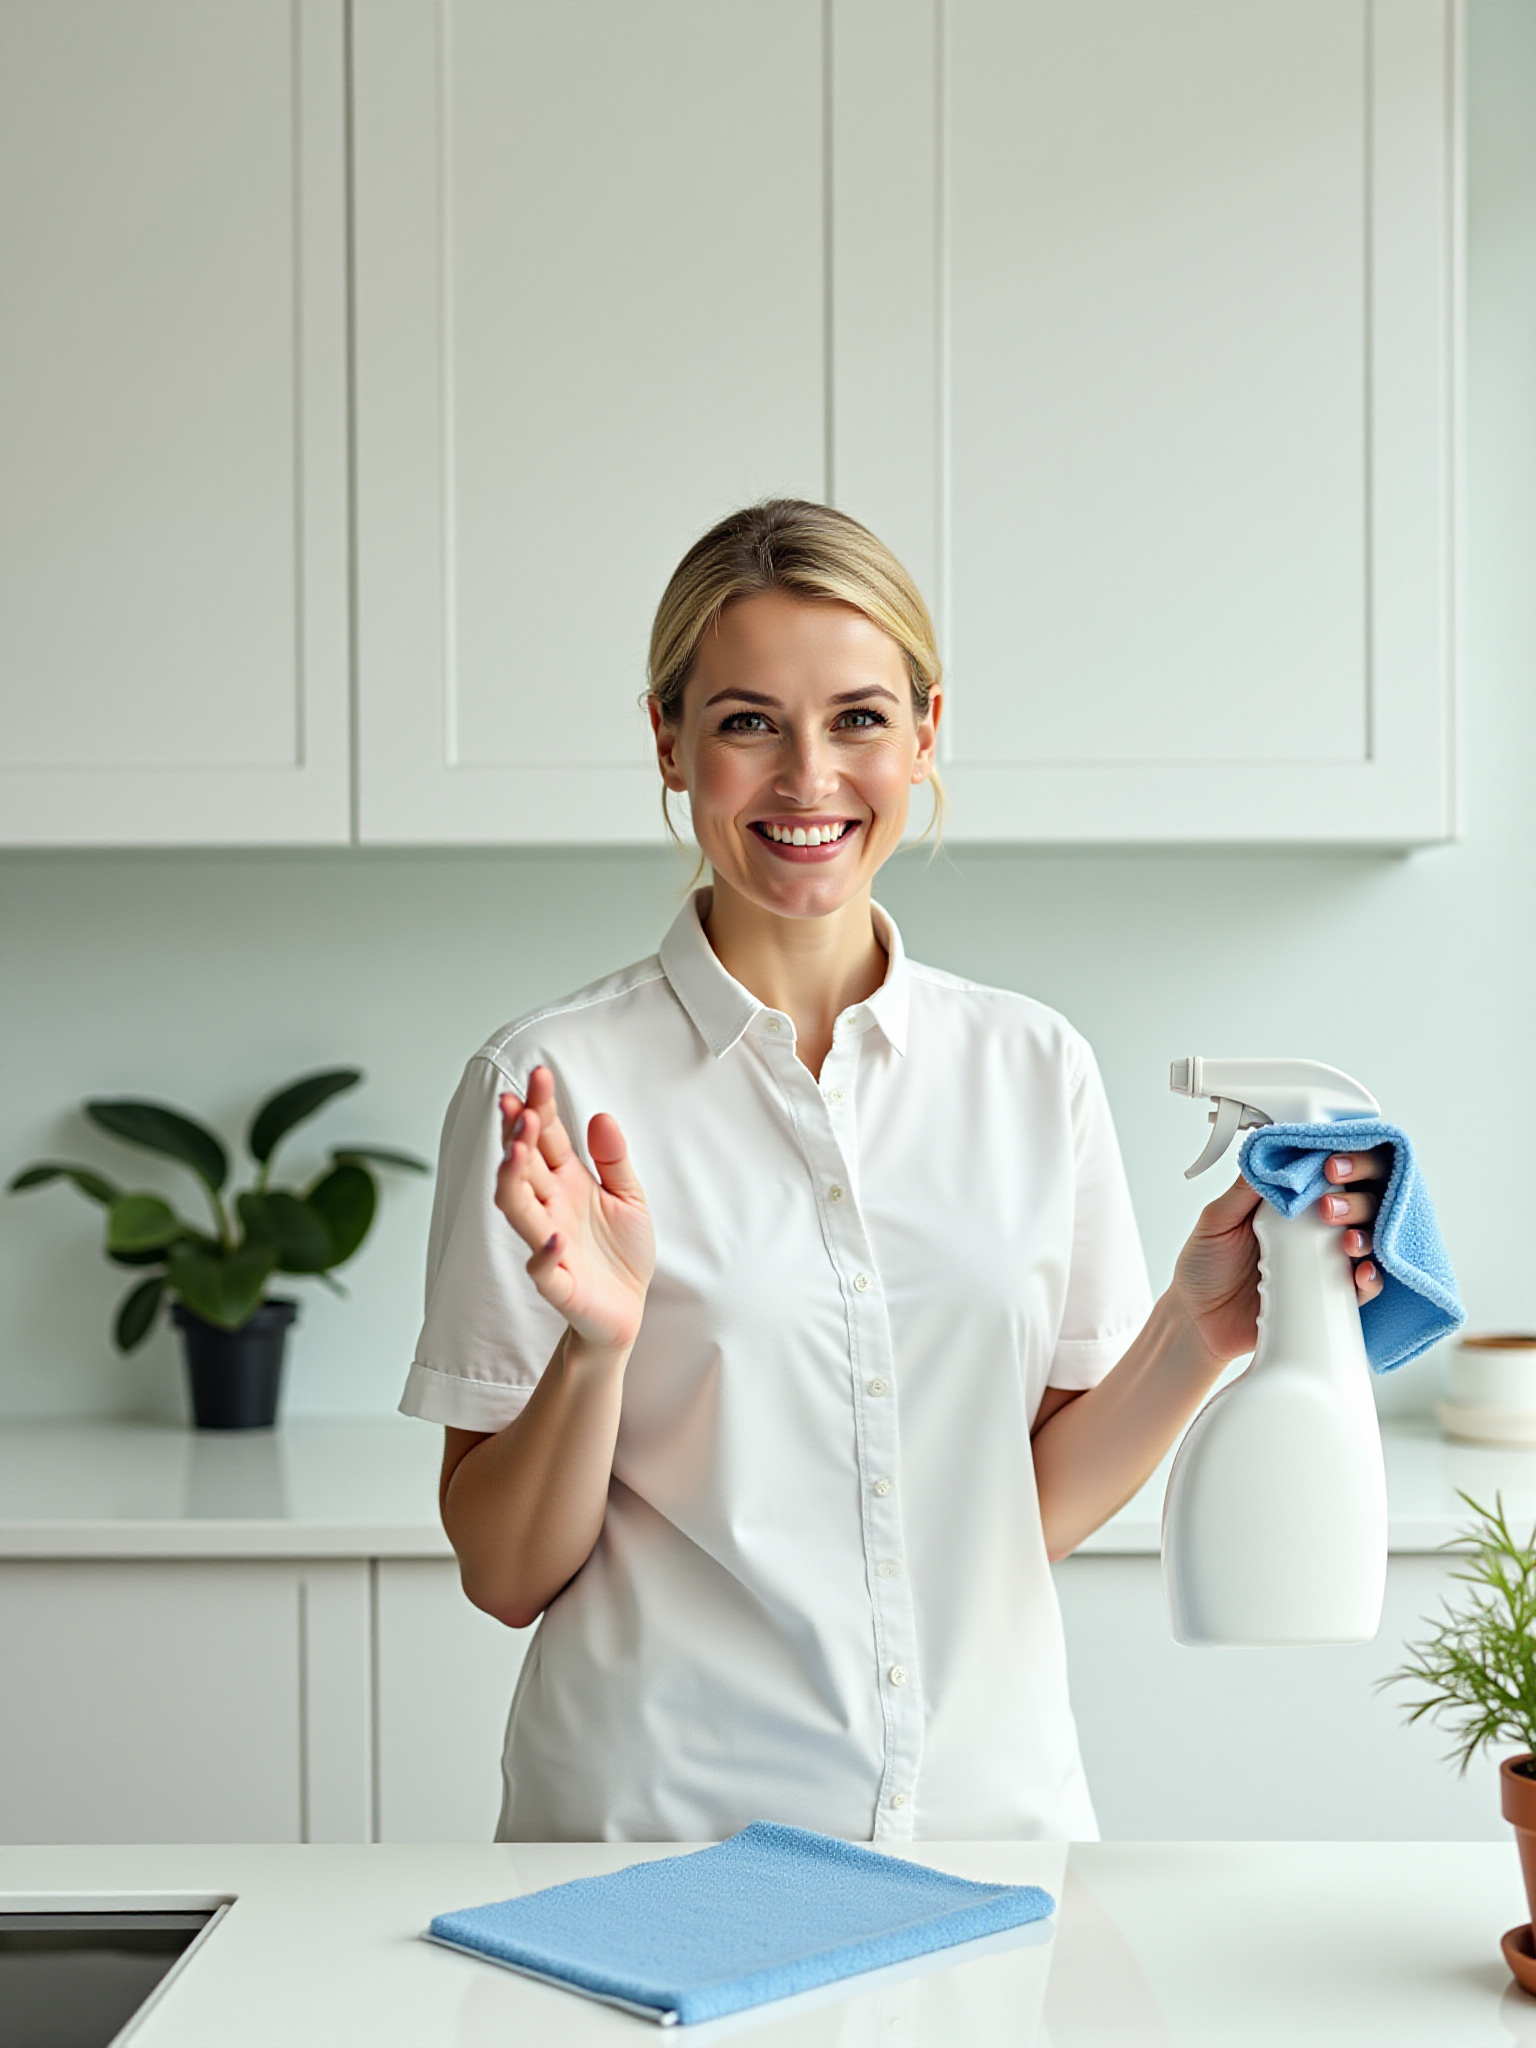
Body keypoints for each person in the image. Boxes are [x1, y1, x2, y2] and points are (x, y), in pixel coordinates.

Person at [399, 500, 1386, 1844]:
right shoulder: (551, 1089)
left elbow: (1010, 1512)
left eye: (859, 719)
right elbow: (507, 1576)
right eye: (749, 721)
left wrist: (1199, 1329)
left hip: (986, 1831)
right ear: (669, 742)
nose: (810, 778)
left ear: (926, 733)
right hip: (662, 1839)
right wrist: (597, 1349)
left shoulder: (1036, 1070)